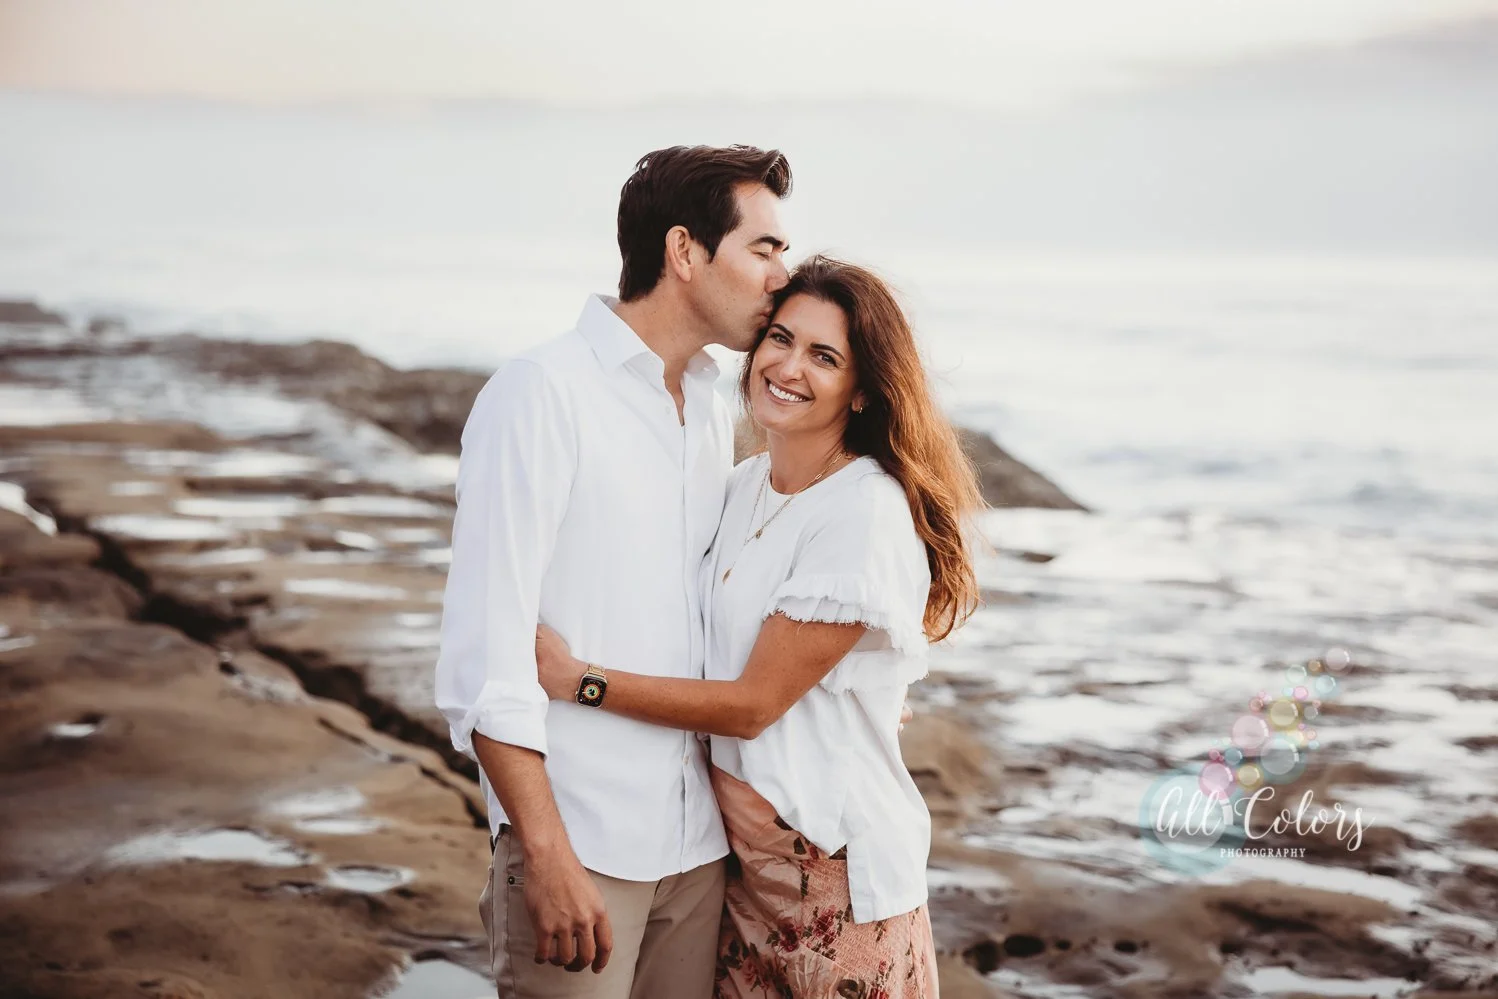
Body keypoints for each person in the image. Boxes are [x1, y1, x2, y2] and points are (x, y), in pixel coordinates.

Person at [535, 255, 984, 998]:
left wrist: (578, 681)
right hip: (741, 873)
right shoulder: (741, 487)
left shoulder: (863, 509)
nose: (789, 365)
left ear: (865, 390)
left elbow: (750, 706)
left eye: (825, 356)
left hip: (835, 879)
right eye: (781, 338)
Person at [433, 144, 793, 999]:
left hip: (698, 853)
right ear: (683, 252)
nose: (784, 273)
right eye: (765, 248)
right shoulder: (540, 392)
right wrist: (545, 853)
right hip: (582, 847)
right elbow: (488, 655)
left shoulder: (710, 406)